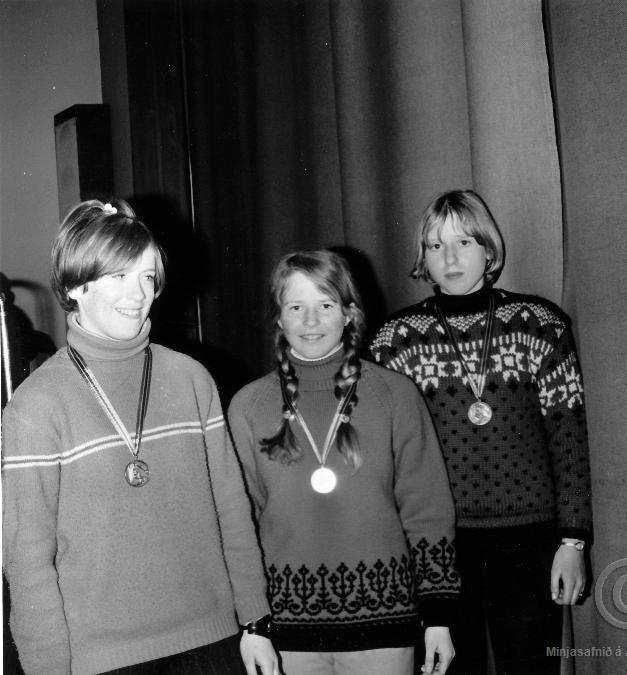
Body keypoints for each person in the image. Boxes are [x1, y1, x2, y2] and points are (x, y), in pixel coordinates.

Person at [2, 199, 279, 675]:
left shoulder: (191, 378)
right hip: (100, 659)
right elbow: (28, 561)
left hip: (211, 640)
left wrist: (256, 622)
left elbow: (232, 510)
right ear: (75, 285)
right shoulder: (36, 405)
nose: (138, 293)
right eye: (119, 276)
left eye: (147, 276)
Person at [370, 189, 593, 674]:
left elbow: (570, 441)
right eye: (436, 246)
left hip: (529, 539)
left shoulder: (539, 325)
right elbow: (383, 458)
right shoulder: (394, 341)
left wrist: (572, 542)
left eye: (464, 243)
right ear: (423, 258)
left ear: (488, 250)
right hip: (436, 546)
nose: (449, 259)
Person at [227, 250, 460, 675]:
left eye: (326, 305)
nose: (310, 321)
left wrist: (438, 617)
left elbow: (427, 510)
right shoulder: (248, 406)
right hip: (285, 632)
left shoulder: (395, 395)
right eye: (296, 307)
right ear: (278, 318)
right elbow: (241, 524)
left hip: (384, 624)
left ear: (349, 313)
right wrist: (253, 624)